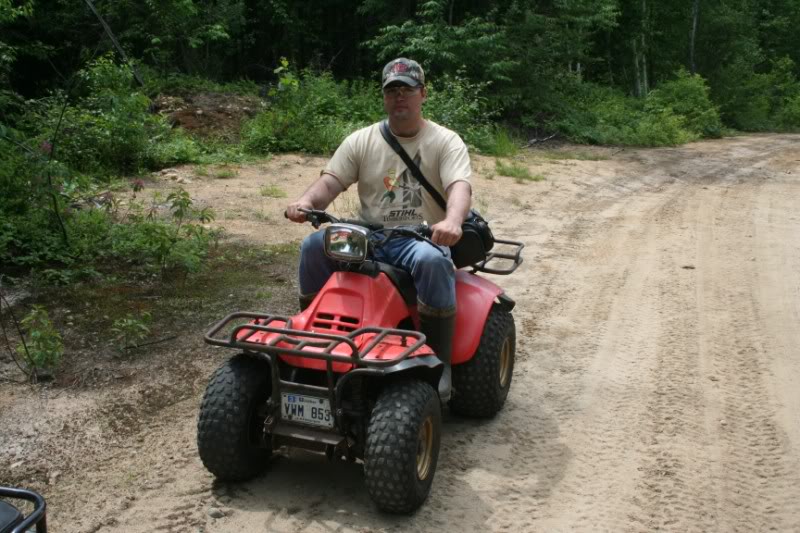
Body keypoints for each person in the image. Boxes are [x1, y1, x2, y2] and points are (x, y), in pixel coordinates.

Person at [285, 58, 472, 402]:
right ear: (384, 97)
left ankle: (440, 363)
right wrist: (305, 203)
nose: (399, 97)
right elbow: (329, 183)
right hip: (370, 235)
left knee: (432, 262)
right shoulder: (362, 140)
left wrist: (452, 221)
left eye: (407, 89)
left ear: (423, 94)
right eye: (392, 91)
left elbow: (459, 186)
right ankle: (313, 342)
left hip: (419, 236)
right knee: (314, 245)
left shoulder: (446, 141)